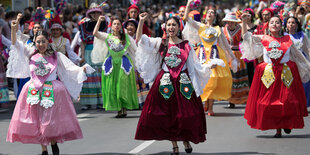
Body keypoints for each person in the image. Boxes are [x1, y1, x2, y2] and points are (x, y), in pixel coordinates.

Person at [7, 18, 95, 155]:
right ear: (35, 43)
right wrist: (13, 29)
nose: (41, 44)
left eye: (43, 41)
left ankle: (53, 143)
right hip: (34, 90)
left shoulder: (56, 55)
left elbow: (69, 68)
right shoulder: (30, 54)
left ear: (48, 41)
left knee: (50, 121)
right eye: (38, 41)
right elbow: (15, 44)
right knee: (37, 121)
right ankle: (44, 149)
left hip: (53, 91)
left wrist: (81, 69)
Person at [135, 11, 217, 154]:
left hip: (183, 83)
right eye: (169, 25)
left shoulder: (186, 45)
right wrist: (141, 21)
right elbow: (140, 41)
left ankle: (185, 139)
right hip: (165, 83)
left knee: (186, 114)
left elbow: (194, 65)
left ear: (179, 28)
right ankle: (174, 145)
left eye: (174, 25)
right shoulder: (160, 42)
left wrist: (209, 66)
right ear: (165, 27)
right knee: (167, 115)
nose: (171, 27)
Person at [241, 14, 310, 138]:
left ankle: (287, 124)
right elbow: (246, 37)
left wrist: (307, 65)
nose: (274, 24)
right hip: (269, 74)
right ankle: (278, 129)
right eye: (272, 22)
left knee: (289, 101)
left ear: (281, 26)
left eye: (277, 22)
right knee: (270, 103)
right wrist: (244, 22)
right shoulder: (263, 38)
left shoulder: (288, 39)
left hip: (286, 73)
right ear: (268, 25)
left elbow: (298, 55)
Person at [183, 0, 238, 116]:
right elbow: (186, 19)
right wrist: (188, 4)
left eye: (212, 12)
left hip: (215, 56)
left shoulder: (218, 29)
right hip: (201, 55)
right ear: (205, 15)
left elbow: (226, 45)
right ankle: (205, 102)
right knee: (203, 78)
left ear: (215, 16)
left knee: (213, 79)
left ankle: (211, 106)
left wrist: (233, 58)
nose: (209, 13)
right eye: (208, 12)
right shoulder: (200, 26)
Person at [92, 16, 139, 117]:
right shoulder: (107, 37)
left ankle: (124, 108)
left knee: (123, 85)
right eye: (115, 24)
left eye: (118, 24)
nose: (116, 26)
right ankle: (118, 109)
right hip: (112, 64)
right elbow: (95, 33)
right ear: (111, 26)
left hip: (124, 63)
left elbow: (135, 48)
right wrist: (99, 21)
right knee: (113, 86)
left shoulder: (126, 37)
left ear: (121, 26)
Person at [79, 3, 107, 110]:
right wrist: (82, 56)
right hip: (88, 51)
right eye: (93, 12)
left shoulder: (105, 24)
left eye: (97, 12)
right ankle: (88, 102)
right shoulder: (84, 25)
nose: (95, 14)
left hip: (100, 51)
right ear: (89, 14)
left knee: (100, 77)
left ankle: (101, 101)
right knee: (88, 76)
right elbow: (83, 42)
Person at [222, 12, 250, 108]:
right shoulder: (223, 30)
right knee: (229, 77)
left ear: (235, 23)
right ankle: (230, 99)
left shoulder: (240, 29)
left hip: (237, 54)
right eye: (228, 22)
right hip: (227, 55)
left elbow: (245, 37)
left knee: (237, 77)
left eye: (232, 22)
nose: (230, 24)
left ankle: (237, 98)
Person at [284, 16, 310, 107]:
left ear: (296, 24)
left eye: (293, 22)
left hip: (302, 63)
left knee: (305, 83)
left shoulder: (302, 35)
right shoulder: (284, 36)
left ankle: (304, 104)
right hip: (290, 63)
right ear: (286, 24)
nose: (291, 24)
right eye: (289, 22)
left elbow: (307, 49)